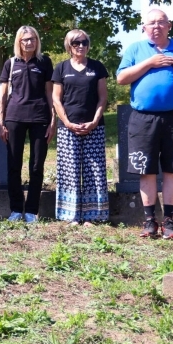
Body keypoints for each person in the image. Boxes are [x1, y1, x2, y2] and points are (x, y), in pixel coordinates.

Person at [116, 8, 173, 238]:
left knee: (172, 171)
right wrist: (150, 63)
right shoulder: (135, 49)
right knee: (145, 171)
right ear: (144, 27)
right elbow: (121, 78)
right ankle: (149, 221)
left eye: (161, 22)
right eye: (152, 23)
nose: (156, 26)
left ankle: (169, 221)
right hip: (143, 119)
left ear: (169, 25)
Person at [0, 26, 55, 223]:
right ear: (19, 42)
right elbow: (2, 94)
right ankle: (15, 209)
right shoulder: (11, 63)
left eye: (33, 39)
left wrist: (53, 120)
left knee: (37, 166)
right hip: (14, 118)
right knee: (14, 165)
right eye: (25, 39)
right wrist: (0, 122)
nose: (29, 42)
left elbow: (50, 93)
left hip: (40, 118)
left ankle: (31, 210)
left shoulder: (44, 62)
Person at [52, 29, 108, 225]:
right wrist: (67, 122)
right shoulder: (61, 68)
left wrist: (94, 121)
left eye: (84, 42)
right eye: (76, 43)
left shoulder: (97, 67)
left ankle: (93, 217)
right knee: (70, 171)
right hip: (68, 127)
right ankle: (71, 215)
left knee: (94, 171)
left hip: (94, 127)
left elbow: (102, 98)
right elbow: (56, 99)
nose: (81, 46)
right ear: (69, 46)